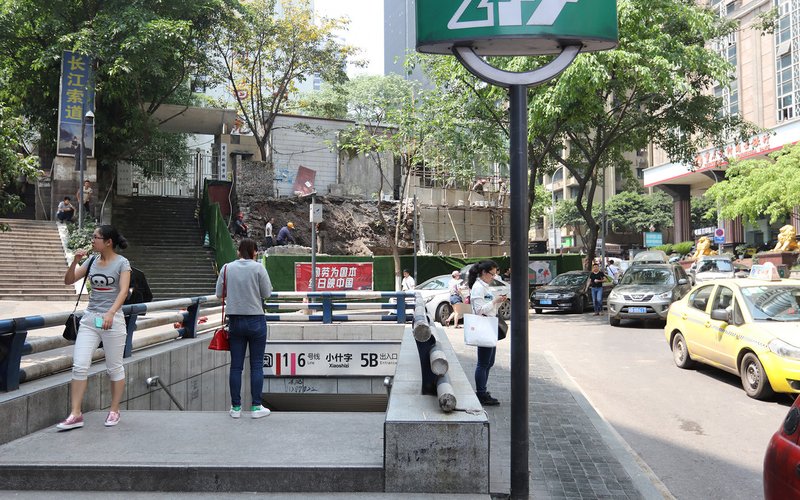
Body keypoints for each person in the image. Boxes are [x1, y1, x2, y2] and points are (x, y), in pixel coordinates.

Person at [57, 225, 131, 430]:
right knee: (79, 365)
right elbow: (69, 281)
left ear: (108, 242)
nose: (92, 240)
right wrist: (75, 262)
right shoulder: (91, 261)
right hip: (90, 320)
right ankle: (75, 414)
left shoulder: (122, 263)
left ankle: (114, 410)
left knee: (114, 367)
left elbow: (123, 292)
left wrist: (111, 313)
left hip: (112, 320)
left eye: (95, 237)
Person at [216, 238, 273, 419]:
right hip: (256, 320)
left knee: (236, 367)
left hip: (235, 322)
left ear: (238, 251)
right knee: (256, 365)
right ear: (254, 252)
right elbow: (267, 293)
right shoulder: (259, 268)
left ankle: (235, 408)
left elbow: (219, 294)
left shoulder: (227, 268)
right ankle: (256, 407)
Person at [468, 260, 507, 406]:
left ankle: (482, 390)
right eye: (492, 274)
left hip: (489, 325)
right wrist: (495, 301)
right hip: (484, 327)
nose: (494, 277)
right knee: (484, 362)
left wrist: (499, 301)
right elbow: (479, 310)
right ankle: (481, 393)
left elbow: (489, 308)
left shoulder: (484, 286)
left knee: (489, 362)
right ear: (484, 273)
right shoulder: (478, 287)